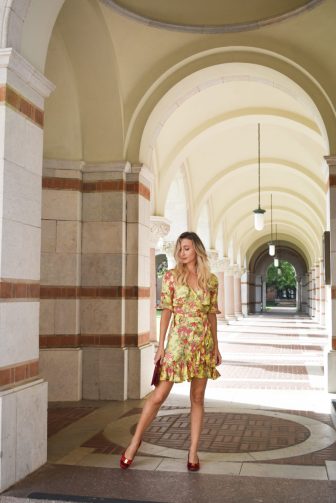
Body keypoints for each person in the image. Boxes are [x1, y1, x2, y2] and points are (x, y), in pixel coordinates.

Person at [120, 231, 222, 471]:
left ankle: (193, 452)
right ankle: (135, 443)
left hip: (202, 343)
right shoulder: (171, 276)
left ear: (196, 249)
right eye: (179, 248)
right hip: (177, 343)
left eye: (186, 248)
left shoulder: (211, 280)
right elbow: (166, 311)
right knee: (158, 396)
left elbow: (211, 314)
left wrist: (216, 346)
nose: (181, 252)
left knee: (197, 398)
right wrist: (161, 346)